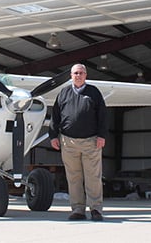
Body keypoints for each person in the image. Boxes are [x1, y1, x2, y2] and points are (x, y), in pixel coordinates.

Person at [49, 63, 107, 221]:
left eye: (81, 73)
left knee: (93, 177)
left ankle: (96, 209)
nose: (78, 75)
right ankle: (78, 210)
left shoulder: (93, 92)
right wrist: (53, 136)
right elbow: (55, 116)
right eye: (75, 73)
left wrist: (102, 135)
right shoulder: (64, 93)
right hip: (68, 142)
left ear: (86, 75)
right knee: (73, 177)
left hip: (91, 142)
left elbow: (102, 115)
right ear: (71, 75)